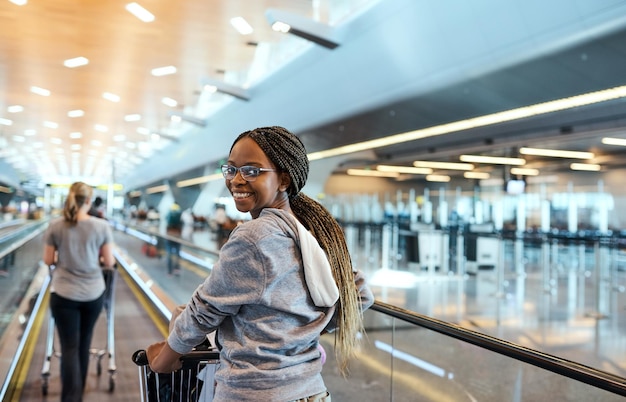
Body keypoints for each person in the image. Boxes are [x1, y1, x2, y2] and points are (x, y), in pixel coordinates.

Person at [146, 126, 375, 401]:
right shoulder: (309, 232)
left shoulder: (253, 236)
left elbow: (204, 310)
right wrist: (301, 334)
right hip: (313, 391)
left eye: (252, 170)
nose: (236, 180)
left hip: (254, 392)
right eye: (231, 169)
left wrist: (164, 359)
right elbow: (360, 293)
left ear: (283, 180)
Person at [42, 181, 115, 402]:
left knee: (69, 347)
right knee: (84, 344)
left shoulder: (55, 226)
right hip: (93, 294)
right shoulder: (101, 226)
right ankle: (78, 395)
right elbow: (109, 261)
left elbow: (48, 260)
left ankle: (70, 397)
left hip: (63, 294)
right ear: (89, 201)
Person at [165, 203, 183, 275]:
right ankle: (177, 268)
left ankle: (169, 271)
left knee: (169, 253)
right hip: (177, 235)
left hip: (169, 234)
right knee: (177, 253)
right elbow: (182, 223)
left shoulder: (170, 210)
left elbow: (166, 220)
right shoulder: (179, 211)